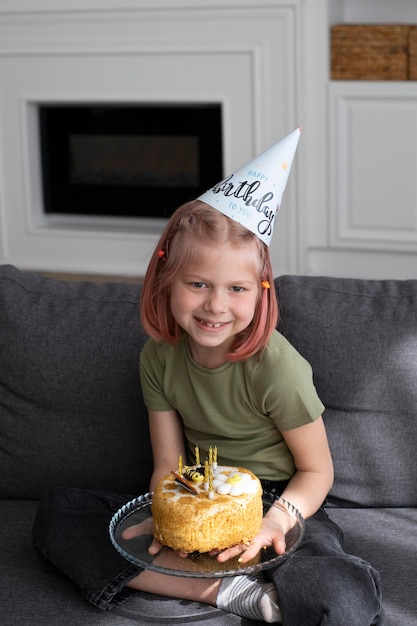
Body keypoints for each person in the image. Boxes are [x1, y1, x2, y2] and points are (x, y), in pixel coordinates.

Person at [32, 130, 383, 624]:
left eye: (236, 288)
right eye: (198, 284)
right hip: (197, 497)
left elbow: (317, 471)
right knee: (59, 514)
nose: (216, 305)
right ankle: (227, 593)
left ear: (260, 292)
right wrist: (169, 516)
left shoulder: (276, 366)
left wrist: (274, 522)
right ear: (166, 281)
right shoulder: (158, 359)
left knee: (340, 597)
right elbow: (167, 463)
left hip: (277, 500)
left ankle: (269, 574)